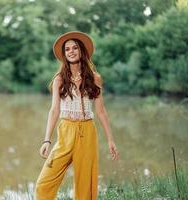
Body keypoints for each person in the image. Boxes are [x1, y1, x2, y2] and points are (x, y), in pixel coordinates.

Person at [35, 31, 118, 200]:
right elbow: (54, 110)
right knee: (43, 184)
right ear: (64, 54)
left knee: (85, 187)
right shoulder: (59, 79)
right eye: (67, 49)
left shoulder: (95, 78)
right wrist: (46, 140)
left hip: (87, 131)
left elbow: (101, 111)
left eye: (75, 48)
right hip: (66, 130)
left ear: (81, 51)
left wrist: (110, 139)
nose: (71, 51)